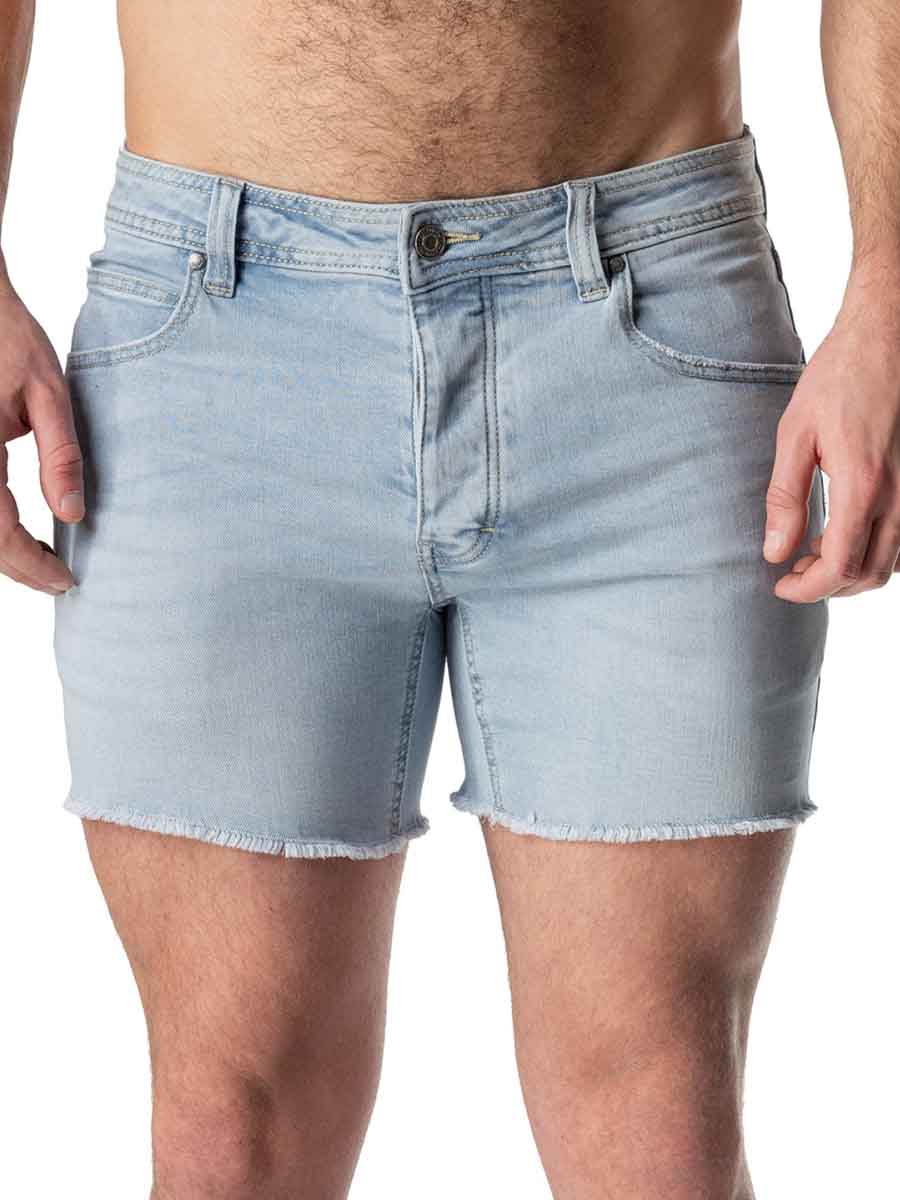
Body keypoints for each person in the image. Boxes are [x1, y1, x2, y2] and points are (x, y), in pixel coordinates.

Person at [1, 2, 898, 1196]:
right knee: (229, 1134)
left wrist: (891, 288)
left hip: (644, 322)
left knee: (662, 1134)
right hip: (213, 333)